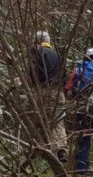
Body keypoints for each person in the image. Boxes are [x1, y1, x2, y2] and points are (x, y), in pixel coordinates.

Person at [27, 30, 67, 161]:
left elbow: (32, 73)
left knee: (37, 120)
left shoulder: (37, 53)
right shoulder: (57, 55)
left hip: (42, 91)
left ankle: (36, 149)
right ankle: (61, 149)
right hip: (58, 92)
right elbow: (64, 75)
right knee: (58, 120)